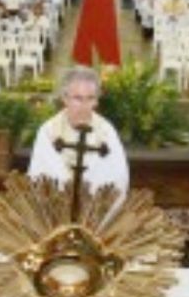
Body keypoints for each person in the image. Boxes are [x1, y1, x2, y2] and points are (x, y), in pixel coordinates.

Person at [28, 66, 129, 204]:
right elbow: (40, 176)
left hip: (96, 211)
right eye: (78, 98)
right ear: (65, 98)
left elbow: (117, 177)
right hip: (57, 210)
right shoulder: (48, 131)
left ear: (96, 101)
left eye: (90, 98)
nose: (84, 106)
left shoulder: (106, 132)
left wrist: (89, 198)